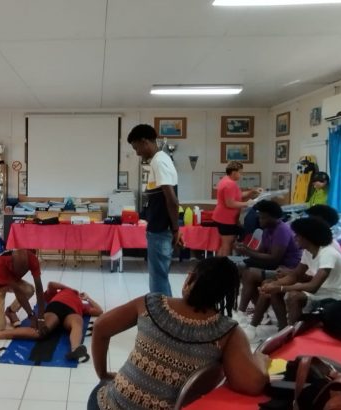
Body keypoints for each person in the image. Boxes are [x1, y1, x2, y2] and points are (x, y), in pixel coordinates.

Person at [87, 257, 269, 409]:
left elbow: (101, 326)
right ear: (226, 295)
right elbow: (252, 384)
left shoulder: (150, 304)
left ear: (190, 278)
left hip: (111, 405)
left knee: (104, 387)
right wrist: (260, 360)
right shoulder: (227, 331)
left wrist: (103, 374)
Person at [257, 217, 341, 330]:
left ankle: (293, 332)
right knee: (275, 289)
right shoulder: (308, 251)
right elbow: (295, 275)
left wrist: (280, 288)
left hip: (340, 296)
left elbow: (313, 287)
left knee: (294, 296)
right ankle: (283, 328)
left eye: (298, 235)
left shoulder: (328, 253)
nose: (295, 238)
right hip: (325, 291)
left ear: (308, 237)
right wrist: (273, 285)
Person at [0, 281, 104, 361]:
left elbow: (99, 311)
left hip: (72, 312)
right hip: (56, 307)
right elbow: (51, 284)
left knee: (78, 323)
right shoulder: (58, 293)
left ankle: (75, 348)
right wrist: (70, 289)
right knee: (39, 333)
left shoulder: (82, 305)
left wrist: (87, 298)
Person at [127, 124, 179, 296]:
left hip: (160, 230)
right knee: (159, 276)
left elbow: (172, 200)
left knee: (158, 278)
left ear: (145, 142)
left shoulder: (159, 161)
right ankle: (164, 308)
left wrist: (176, 229)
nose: (137, 153)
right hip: (159, 228)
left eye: (136, 148)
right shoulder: (161, 160)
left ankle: (162, 310)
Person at [234, 200, 303, 326]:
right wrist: (245, 249)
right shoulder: (267, 230)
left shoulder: (281, 230)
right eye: (259, 217)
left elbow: (274, 258)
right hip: (275, 265)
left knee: (250, 274)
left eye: (263, 217)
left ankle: (242, 312)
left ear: (274, 217)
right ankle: (259, 312)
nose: (260, 220)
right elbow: (260, 253)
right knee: (244, 270)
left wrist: (248, 252)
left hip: (287, 269)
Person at [0, 249, 45, 330]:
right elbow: (18, 292)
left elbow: (39, 288)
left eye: (24, 269)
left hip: (12, 282)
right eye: (18, 270)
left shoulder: (33, 259)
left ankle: (10, 311)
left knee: (29, 290)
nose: (20, 273)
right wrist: (31, 315)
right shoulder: (2, 262)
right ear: (12, 263)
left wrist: (41, 317)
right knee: (0, 327)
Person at [213, 161, 260, 257]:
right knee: (227, 244)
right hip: (226, 219)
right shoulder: (229, 184)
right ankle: (224, 265)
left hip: (223, 218)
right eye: (240, 172)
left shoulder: (226, 180)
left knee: (225, 244)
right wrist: (247, 204)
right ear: (234, 172)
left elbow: (237, 195)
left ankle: (218, 264)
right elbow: (230, 203)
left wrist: (251, 191)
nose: (241, 175)